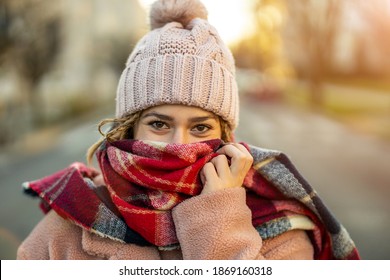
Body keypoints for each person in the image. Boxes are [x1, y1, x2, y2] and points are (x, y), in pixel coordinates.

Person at [17, 0, 360, 260]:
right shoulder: (66, 227)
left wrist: (219, 216)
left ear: (225, 136)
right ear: (130, 128)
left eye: (200, 127)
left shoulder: (281, 232)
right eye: (159, 124)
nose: (178, 145)